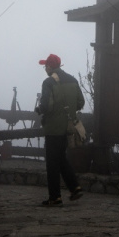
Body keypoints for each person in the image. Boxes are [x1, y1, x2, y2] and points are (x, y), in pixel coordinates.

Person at [35, 54, 84, 206]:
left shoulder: (48, 82)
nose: (45, 69)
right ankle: (75, 187)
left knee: (52, 163)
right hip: (67, 128)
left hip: (53, 128)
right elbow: (80, 102)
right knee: (61, 158)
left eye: (45, 66)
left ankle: (55, 197)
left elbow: (46, 105)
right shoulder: (73, 80)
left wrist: (39, 109)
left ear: (50, 67)